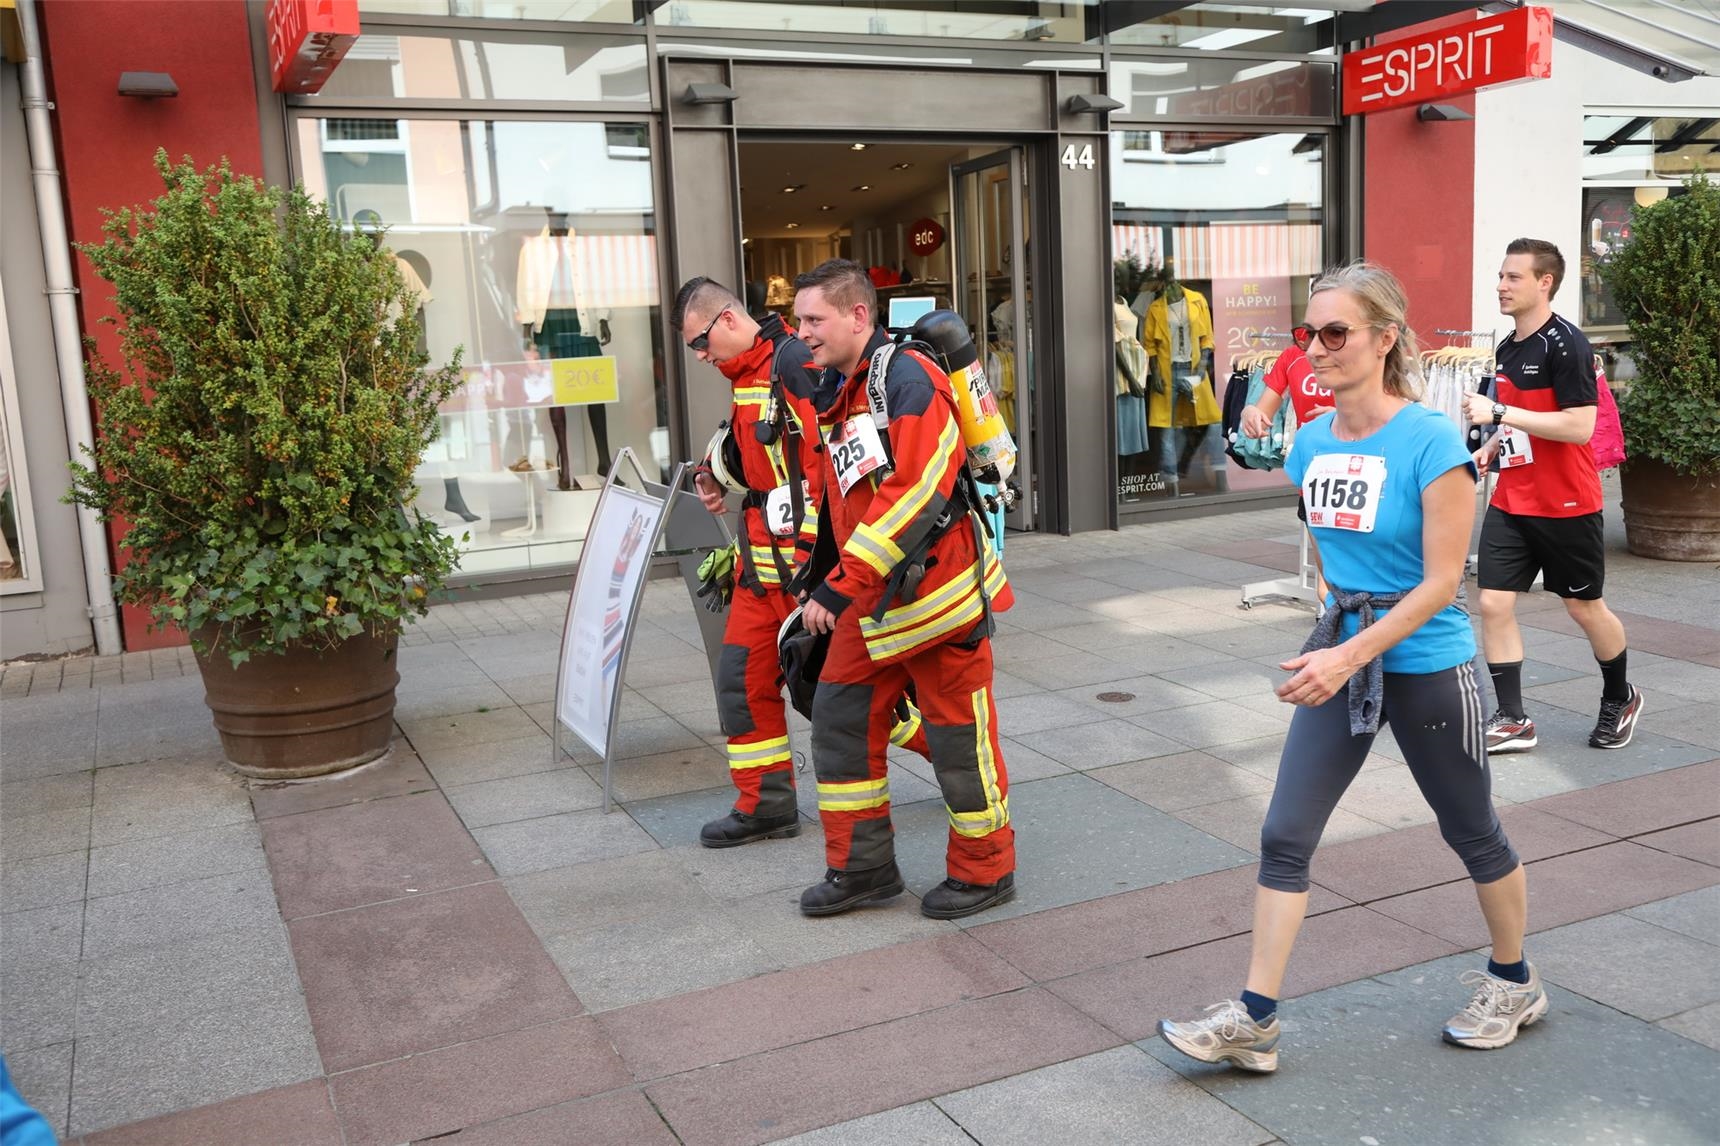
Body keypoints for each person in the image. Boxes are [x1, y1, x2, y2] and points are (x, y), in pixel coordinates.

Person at [1158, 262, 1542, 1073]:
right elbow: (1333, 552)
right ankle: (1256, 1018)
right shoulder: (1312, 441)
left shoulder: (1432, 438)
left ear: (1384, 338)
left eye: (1336, 332)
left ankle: (1514, 980)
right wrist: (1338, 632)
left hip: (1429, 664)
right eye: (1310, 333)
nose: (1317, 348)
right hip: (1346, 655)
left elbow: (1444, 581)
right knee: (1284, 834)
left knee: (1472, 830)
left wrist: (1351, 649)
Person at [793, 258, 1018, 920]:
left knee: (958, 741)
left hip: (937, 603)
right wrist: (816, 580)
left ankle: (987, 871)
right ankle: (862, 869)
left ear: (857, 315)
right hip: (873, 605)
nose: (802, 332)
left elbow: (917, 490)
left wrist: (839, 588)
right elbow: (840, 501)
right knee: (838, 721)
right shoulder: (843, 389)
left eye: (815, 319)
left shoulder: (908, 377)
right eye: (800, 320)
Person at [1466, 238, 1642, 753]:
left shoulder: (1568, 345)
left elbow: (1578, 427)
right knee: (1494, 601)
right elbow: (1523, 415)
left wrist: (1498, 416)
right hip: (1513, 498)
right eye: (1500, 275)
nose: (1500, 285)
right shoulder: (1508, 346)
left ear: (1544, 282)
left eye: (1513, 277)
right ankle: (1514, 718)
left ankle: (1620, 696)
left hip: (1568, 502)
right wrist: (1495, 446)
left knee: (1583, 607)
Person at [674, 277, 827, 847]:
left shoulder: (793, 365)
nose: (702, 357)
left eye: (701, 343)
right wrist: (715, 471)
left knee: (843, 693)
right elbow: (753, 449)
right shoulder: (747, 374)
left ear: (729, 321)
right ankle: (764, 805)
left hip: (804, 571)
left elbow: (823, 475)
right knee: (739, 682)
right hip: (761, 570)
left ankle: (943, 749)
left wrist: (818, 576)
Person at [1239, 341, 1333, 439]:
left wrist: (1342, 419)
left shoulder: (1348, 356)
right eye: (1309, 332)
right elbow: (1261, 421)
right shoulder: (1293, 355)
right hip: (1308, 447)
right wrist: (1248, 413)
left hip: (1347, 448)